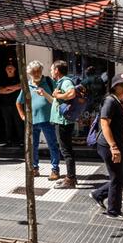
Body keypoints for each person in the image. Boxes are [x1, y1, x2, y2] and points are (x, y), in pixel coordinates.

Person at [89, 73, 123, 220]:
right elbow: (104, 124)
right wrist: (114, 147)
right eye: (122, 84)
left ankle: (98, 194)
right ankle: (113, 211)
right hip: (110, 145)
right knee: (117, 178)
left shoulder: (119, 102)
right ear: (114, 86)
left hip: (120, 145)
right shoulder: (110, 101)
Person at [16, 60, 61, 178]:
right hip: (32, 121)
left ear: (41, 71)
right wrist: (22, 116)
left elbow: (57, 98)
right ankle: (35, 168)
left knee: (52, 145)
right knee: (33, 146)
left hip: (48, 119)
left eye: (38, 71)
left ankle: (55, 169)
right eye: (33, 72)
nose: (36, 73)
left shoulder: (49, 82)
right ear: (30, 73)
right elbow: (18, 102)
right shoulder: (27, 85)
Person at [50, 60, 78, 188]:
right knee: (66, 149)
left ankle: (70, 179)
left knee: (66, 150)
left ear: (57, 70)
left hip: (63, 122)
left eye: (52, 69)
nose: (51, 72)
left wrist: (59, 95)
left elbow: (72, 93)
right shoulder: (61, 82)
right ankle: (70, 177)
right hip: (62, 121)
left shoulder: (66, 81)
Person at [0, 60, 24, 147]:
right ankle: (8, 141)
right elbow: (0, 91)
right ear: (5, 69)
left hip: (17, 105)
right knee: (7, 123)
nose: (9, 69)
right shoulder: (2, 79)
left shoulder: (18, 78)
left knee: (18, 123)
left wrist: (7, 88)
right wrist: (14, 88)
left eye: (11, 68)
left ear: (15, 69)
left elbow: (21, 86)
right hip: (5, 105)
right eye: (8, 68)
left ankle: (21, 141)